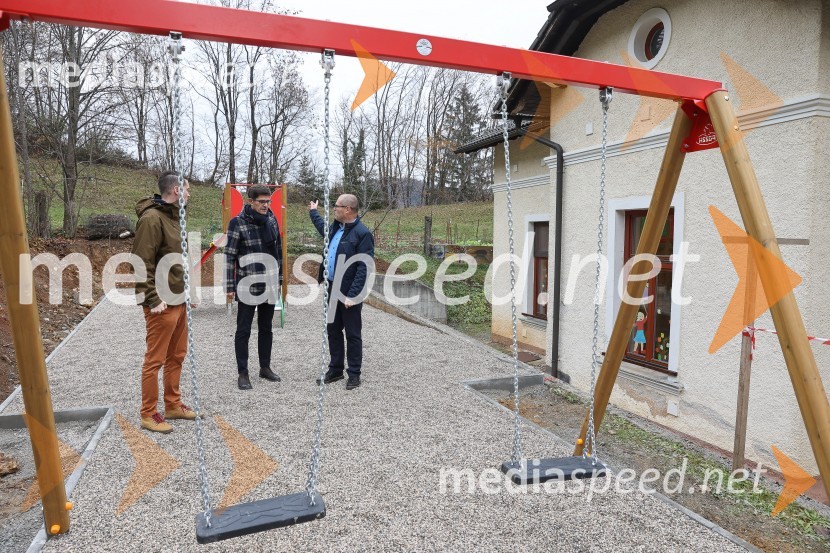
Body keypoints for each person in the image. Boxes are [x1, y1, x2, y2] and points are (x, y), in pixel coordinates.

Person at [132, 171, 199, 433]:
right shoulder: (152, 219)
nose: (189, 194)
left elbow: (179, 261)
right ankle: (148, 413)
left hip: (179, 299)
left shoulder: (175, 217)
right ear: (175, 190)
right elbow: (141, 262)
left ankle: (173, 404)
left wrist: (189, 293)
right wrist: (151, 298)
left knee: (177, 355)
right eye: (187, 189)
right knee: (155, 360)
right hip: (161, 302)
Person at [309, 194, 374, 390]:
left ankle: (354, 373)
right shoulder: (336, 227)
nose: (334, 209)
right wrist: (313, 212)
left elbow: (364, 266)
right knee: (333, 329)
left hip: (348, 291)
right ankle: (335, 369)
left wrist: (353, 294)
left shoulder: (362, 234)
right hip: (332, 287)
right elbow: (322, 228)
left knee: (352, 333)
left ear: (348, 209)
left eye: (336, 206)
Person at [225, 184, 283, 390]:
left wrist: (279, 279)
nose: (266, 205)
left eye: (268, 201)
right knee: (244, 330)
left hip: (269, 282)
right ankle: (243, 372)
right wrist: (229, 285)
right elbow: (229, 256)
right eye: (262, 202)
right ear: (251, 201)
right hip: (247, 284)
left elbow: (278, 251)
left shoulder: (272, 220)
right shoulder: (237, 223)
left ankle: (265, 367)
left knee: (266, 328)